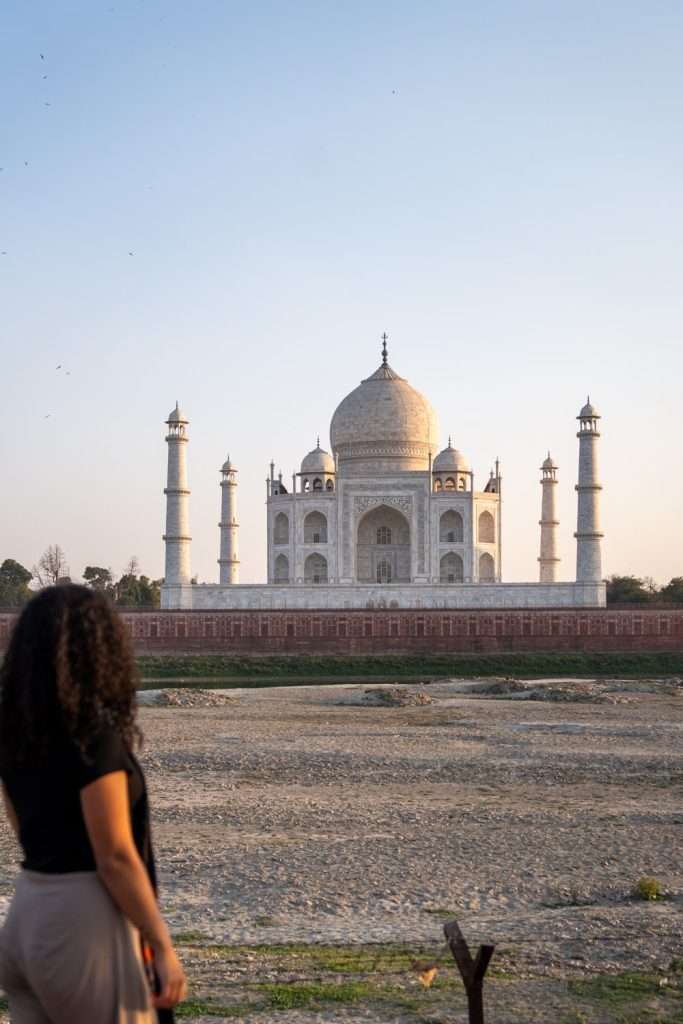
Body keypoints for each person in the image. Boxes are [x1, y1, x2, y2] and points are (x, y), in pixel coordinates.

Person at [0, 584, 187, 1023]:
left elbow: (26, 831)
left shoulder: (12, 733)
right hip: (81, 924)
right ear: (100, 648)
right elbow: (115, 856)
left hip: (27, 913)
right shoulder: (92, 738)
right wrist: (161, 943)